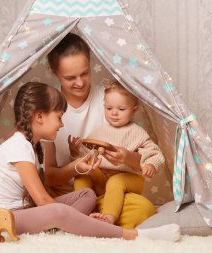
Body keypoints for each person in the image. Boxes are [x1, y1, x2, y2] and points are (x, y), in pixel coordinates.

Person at [0, 82, 181, 241]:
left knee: (86, 194)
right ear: (39, 116)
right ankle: (131, 235)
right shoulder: (18, 146)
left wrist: (77, 167)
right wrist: (67, 215)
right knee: (56, 210)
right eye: (58, 117)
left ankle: (70, 225)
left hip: (21, 212)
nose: (62, 124)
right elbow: (43, 202)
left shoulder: (28, 145)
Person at [42, 33, 156, 228]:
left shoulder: (111, 101)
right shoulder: (48, 109)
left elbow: (143, 161)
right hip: (67, 194)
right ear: (55, 73)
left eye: (85, 73)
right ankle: (83, 216)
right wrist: (77, 166)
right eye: (70, 78)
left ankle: (85, 219)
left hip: (107, 193)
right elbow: (51, 177)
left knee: (144, 209)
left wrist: (126, 157)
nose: (80, 82)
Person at [70, 80, 165, 225]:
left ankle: (109, 219)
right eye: (109, 108)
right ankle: (82, 211)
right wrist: (76, 151)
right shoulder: (99, 130)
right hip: (102, 179)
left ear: (134, 109)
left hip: (129, 179)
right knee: (82, 174)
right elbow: (87, 154)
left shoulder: (137, 132)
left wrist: (151, 164)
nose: (114, 113)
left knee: (117, 182)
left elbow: (155, 153)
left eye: (121, 109)